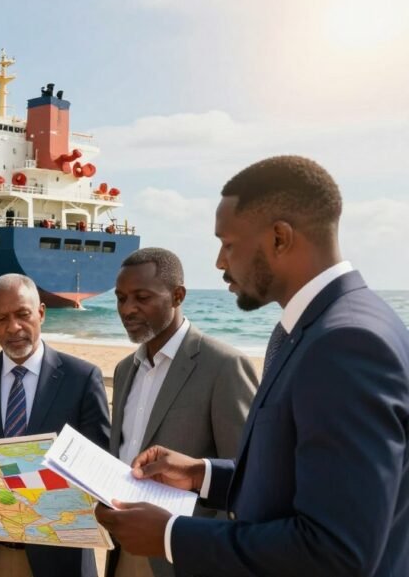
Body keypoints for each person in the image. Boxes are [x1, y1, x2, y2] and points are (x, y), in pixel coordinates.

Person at [95, 155, 409, 576]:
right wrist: (201, 474)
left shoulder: (345, 342)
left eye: (227, 244)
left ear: (279, 238)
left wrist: (171, 536)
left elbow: (336, 551)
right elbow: (292, 481)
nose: (220, 263)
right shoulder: (317, 327)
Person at [0, 273, 110, 577]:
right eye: (1, 318)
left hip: (60, 558)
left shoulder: (82, 378)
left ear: (41, 313)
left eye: (22, 314)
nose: (13, 327)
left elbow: (99, 463)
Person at [107, 247, 258, 577]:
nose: (127, 309)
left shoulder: (224, 366)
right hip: (122, 553)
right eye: (120, 298)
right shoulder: (123, 370)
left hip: (186, 560)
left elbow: (250, 476)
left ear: (177, 296)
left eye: (141, 297)